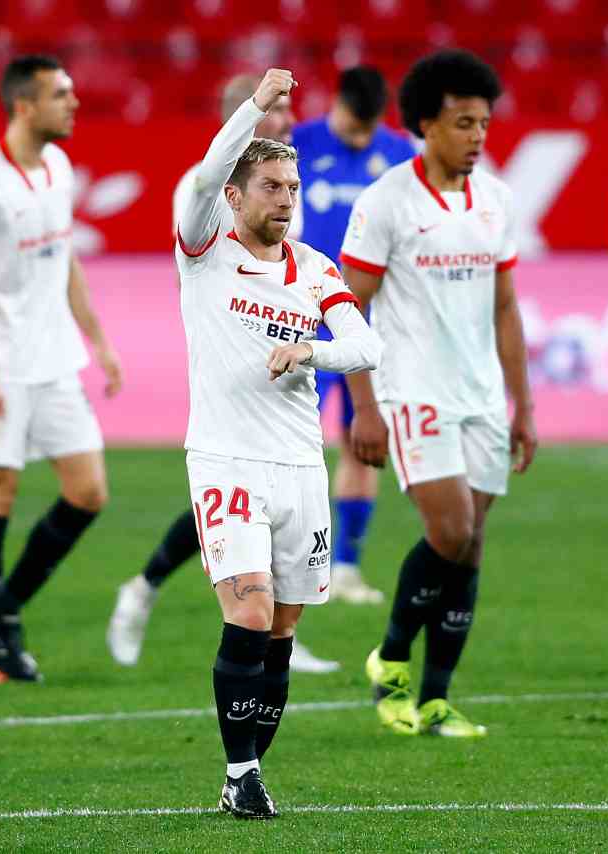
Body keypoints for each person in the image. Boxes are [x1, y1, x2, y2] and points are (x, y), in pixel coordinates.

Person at [176, 68, 383, 819]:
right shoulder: (203, 249)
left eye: (292, 189)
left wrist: (311, 353)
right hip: (227, 460)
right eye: (272, 187)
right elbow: (204, 172)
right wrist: (256, 108)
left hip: (301, 468)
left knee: (285, 631)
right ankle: (240, 772)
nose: (287, 200)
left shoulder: (316, 271)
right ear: (238, 196)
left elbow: (365, 346)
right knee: (252, 613)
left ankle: (247, 771)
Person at [106, 74, 339, 675]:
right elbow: (197, 267)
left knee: (255, 504)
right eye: (273, 113)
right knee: (234, 498)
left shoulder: (284, 184)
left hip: (283, 360)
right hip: (232, 362)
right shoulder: (208, 183)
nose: (285, 123)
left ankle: (268, 627)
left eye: (289, 114)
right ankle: (147, 588)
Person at [339, 50, 537, 737]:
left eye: (484, 122)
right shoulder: (387, 200)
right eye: (463, 123)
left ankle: (435, 697)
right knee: (449, 530)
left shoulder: (497, 200)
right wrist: (363, 405)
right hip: (411, 390)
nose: (478, 136)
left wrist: (523, 406)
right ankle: (390, 658)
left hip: (481, 395)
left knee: (472, 544)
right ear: (426, 124)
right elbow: (345, 305)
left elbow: (506, 307)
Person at [0, 55, 124, 685]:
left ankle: (0, 606)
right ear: (25, 106)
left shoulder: (58, 167)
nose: (74, 103)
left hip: (53, 362)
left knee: (88, 491)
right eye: (61, 94)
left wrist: (97, 341)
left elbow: (63, 259)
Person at [292, 66, 417, 605]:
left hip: (370, 322)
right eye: (353, 124)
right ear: (335, 102)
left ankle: (345, 567)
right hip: (301, 316)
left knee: (363, 440)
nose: (363, 138)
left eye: (371, 128)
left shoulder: (399, 155)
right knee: (293, 443)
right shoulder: (296, 143)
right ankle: (290, 562)